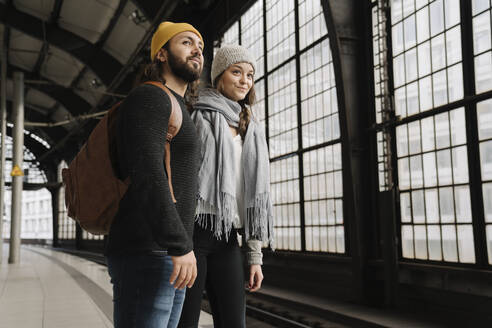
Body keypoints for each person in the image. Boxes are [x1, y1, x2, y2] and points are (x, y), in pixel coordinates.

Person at [105, 22, 204, 328]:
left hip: (165, 251)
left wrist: (180, 244)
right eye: (186, 42)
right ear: (161, 54)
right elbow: (148, 172)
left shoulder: (178, 106)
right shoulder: (150, 98)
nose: (197, 50)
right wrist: (179, 244)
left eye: (200, 46)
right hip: (148, 250)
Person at [178, 45, 274, 328]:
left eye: (250, 75)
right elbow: (182, 177)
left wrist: (255, 256)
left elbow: (254, 197)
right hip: (193, 231)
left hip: (228, 237)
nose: (245, 80)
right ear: (220, 75)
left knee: (234, 323)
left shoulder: (252, 127)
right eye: (237, 72)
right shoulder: (196, 115)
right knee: (185, 321)